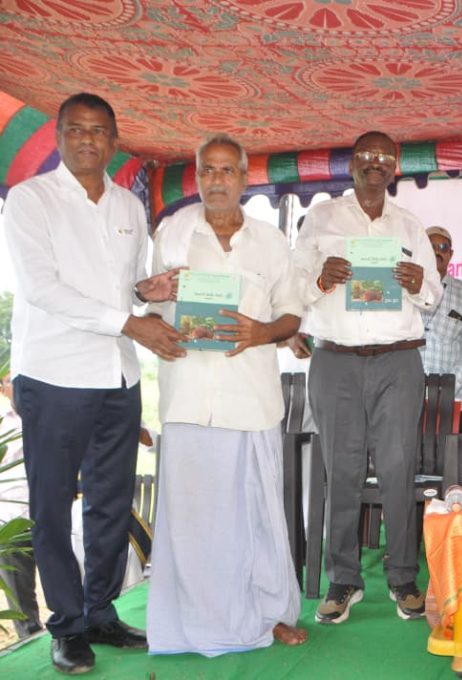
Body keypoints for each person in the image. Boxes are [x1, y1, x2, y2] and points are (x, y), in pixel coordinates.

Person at [2, 92, 185, 674]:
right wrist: (132, 322)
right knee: (53, 505)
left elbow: (122, 287)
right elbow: (43, 289)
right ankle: (66, 624)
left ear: (113, 140)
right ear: (59, 136)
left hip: (118, 375)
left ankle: (101, 611)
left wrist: (146, 292)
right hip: (55, 374)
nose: (87, 139)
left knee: (110, 500)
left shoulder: (129, 206)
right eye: (76, 129)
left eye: (99, 130)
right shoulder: (30, 200)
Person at [145, 134, 307, 655]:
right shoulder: (173, 232)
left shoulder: (270, 241)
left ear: (243, 178)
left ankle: (268, 614)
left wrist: (262, 333)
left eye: (227, 170)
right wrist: (151, 304)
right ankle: (195, 624)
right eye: (207, 171)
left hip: (250, 398)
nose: (217, 180)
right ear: (197, 177)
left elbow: (292, 314)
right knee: (193, 521)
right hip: (188, 396)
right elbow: (151, 308)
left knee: (255, 516)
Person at [293, 130, 442, 624]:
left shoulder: (410, 226)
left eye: (384, 157)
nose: (375, 163)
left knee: (399, 469)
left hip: (398, 361)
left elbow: (434, 295)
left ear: (395, 167)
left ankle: (403, 577)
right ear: (351, 163)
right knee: (342, 470)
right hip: (335, 360)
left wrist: (419, 284)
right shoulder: (320, 218)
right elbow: (294, 287)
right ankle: (344, 579)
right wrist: (322, 279)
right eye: (366, 156)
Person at [419, 226, 462, 433]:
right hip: (409, 395)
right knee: (407, 452)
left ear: (450, 254)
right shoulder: (407, 289)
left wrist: (449, 386)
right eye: (431, 246)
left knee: (450, 453)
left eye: (443, 247)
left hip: (453, 398)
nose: (437, 251)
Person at [0, 373, 43, 640]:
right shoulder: (3, 423)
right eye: (10, 380)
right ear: (3, 388)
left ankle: (74, 634)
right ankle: (30, 640)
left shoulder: (47, 414)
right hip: (11, 519)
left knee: (68, 582)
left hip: (50, 513)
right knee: (20, 596)